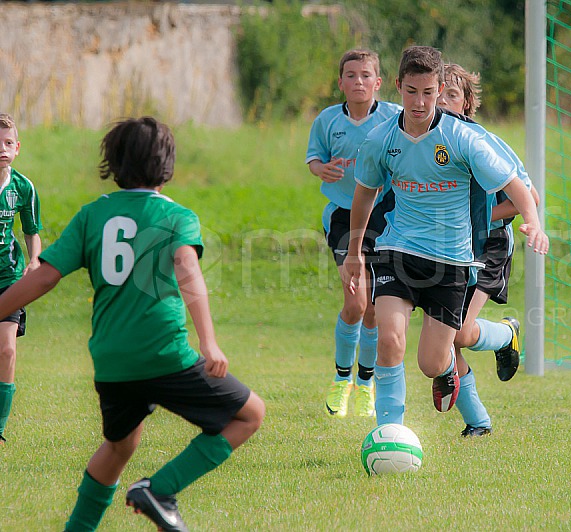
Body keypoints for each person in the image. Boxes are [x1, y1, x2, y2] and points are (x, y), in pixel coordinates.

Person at [0, 117, 265, 531]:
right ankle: (161, 489)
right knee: (249, 414)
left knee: (121, 444)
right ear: (167, 163)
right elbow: (187, 269)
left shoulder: (93, 215)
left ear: (114, 163)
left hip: (111, 362)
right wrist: (209, 342)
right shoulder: (176, 216)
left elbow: (45, 276)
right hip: (164, 353)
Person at [345, 45, 548, 428]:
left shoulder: (464, 138)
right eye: (410, 91)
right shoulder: (380, 139)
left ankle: (501, 336)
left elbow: (516, 186)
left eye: (427, 92)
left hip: (452, 260)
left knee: (432, 363)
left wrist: (533, 222)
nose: (419, 102)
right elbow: (364, 194)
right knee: (388, 339)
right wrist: (355, 252)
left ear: (439, 88)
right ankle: (389, 432)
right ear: (398, 87)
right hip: (397, 249)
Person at [436, 63, 541, 437]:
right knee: (446, 339)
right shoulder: (425, 143)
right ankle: (477, 422)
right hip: (446, 248)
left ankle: (506, 334)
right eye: (439, 92)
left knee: (458, 334)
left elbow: (530, 197)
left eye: (453, 94)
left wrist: (477, 217)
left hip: (489, 246)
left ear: (467, 103)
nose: (444, 100)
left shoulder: (483, 141)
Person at [306, 49, 402, 418]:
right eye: (351, 75)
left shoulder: (394, 117)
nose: (358, 81)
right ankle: (341, 378)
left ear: (378, 83)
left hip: (386, 217)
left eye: (365, 75)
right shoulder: (328, 120)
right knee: (355, 303)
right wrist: (321, 169)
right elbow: (315, 157)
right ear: (341, 82)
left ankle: (366, 383)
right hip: (344, 219)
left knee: (376, 308)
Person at [0, 113, 42, 444]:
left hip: (9, 278)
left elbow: (31, 231)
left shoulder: (23, 187)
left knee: (7, 351)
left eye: (8, 143)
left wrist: (34, 261)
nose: (2, 149)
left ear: (17, 148)